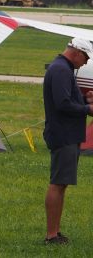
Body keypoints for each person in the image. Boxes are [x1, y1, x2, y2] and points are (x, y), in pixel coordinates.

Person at [43, 37, 93, 245]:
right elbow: (62, 104)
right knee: (58, 183)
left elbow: (67, 100)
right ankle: (51, 235)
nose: (86, 62)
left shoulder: (62, 68)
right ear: (77, 53)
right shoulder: (62, 70)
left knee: (62, 183)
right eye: (86, 58)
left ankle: (55, 232)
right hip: (64, 134)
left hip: (67, 133)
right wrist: (88, 109)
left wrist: (84, 99)